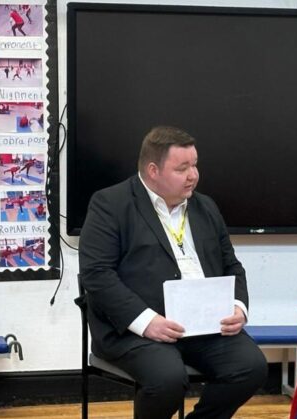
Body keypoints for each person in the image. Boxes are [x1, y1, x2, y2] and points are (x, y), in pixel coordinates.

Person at [78, 126, 267, 419]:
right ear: (153, 170)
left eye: (195, 165)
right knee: (167, 379)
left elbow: (231, 265)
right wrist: (147, 321)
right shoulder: (110, 204)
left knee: (251, 367)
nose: (194, 175)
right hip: (136, 331)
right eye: (182, 168)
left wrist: (238, 307)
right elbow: (97, 274)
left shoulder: (205, 207)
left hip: (204, 325)